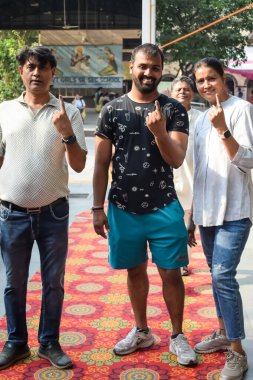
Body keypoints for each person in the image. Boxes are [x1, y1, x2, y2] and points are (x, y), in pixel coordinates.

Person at [92, 43, 197, 366]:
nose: (148, 73)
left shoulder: (173, 110)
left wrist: (160, 132)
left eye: (154, 67)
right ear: (131, 68)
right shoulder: (112, 110)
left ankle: (177, 335)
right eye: (143, 66)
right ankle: (142, 331)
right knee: (135, 271)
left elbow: (176, 159)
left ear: (161, 70)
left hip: (164, 206)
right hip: (123, 208)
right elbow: (100, 163)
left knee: (170, 273)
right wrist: (97, 207)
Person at [0, 46, 87, 370]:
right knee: (13, 282)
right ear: (22, 71)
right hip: (11, 213)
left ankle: (49, 341)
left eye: (44, 67)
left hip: (54, 212)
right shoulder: (4, 110)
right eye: (31, 66)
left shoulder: (67, 112)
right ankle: (17, 343)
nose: (37, 73)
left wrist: (66, 133)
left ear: (53, 73)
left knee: (53, 281)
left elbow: (78, 165)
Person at [188, 57, 253, 380]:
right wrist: (192, 214)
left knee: (223, 277)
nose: (206, 85)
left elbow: (248, 161)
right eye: (200, 81)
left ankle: (238, 353)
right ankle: (223, 331)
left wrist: (223, 129)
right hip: (207, 213)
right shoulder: (199, 119)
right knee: (216, 277)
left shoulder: (241, 110)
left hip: (236, 211)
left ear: (223, 77)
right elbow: (199, 170)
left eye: (211, 78)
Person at [171, 76, 202, 276]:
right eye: (179, 89)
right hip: (171, 177)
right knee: (173, 223)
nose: (183, 92)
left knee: (188, 224)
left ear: (193, 93)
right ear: (171, 94)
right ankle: (175, 260)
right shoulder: (165, 116)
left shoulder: (201, 118)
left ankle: (183, 261)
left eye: (186, 89)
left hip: (193, 176)